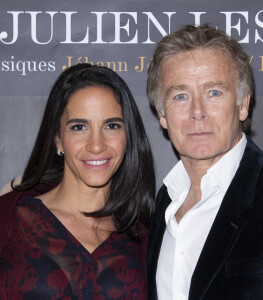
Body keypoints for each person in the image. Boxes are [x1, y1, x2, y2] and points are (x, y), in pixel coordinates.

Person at [146, 24, 263, 300]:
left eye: (214, 93)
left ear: (243, 105)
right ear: (162, 114)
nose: (197, 112)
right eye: (180, 96)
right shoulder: (163, 206)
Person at [0, 63, 155, 299]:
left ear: (128, 136)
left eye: (112, 126)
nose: (96, 145)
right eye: (79, 127)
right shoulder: (9, 219)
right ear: (58, 139)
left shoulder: (144, 237)